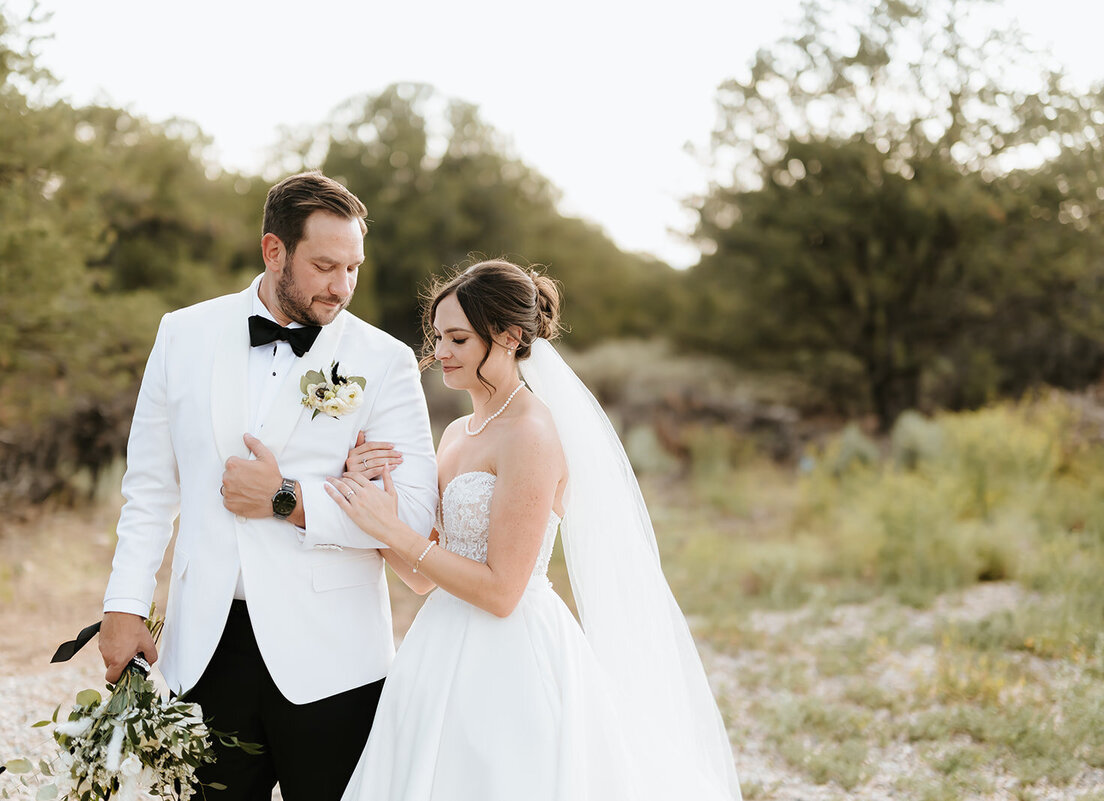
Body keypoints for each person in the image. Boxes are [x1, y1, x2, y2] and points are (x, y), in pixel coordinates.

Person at [326, 259, 743, 800]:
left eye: (457, 338)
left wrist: (400, 536)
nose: (441, 353)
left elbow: (502, 592)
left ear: (508, 336)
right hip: (439, 646)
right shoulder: (456, 432)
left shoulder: (532, 433)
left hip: (510, 658)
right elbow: (424, 578)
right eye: (438, 337)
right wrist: (374, 514)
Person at [97, 171, 439, 801]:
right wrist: (122, 605)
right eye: (325, 266)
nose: (342, 288)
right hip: (204, 648)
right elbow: (148, 488)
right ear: (273, 251)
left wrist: (290, 500)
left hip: (334, 657)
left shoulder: (384, 361)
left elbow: (414, 519)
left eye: (354, 268)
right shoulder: (182, 334)